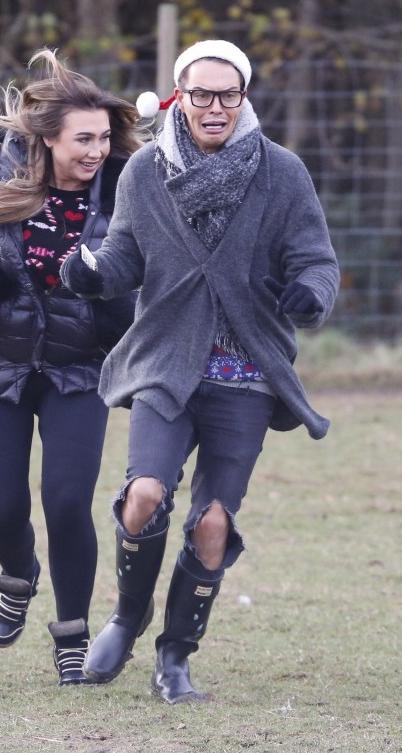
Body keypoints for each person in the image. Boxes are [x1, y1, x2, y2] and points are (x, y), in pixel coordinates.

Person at [61, 39, 340, 704]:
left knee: (213, 522)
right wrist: (91, 272)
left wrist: (309, 293)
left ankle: (175, 655)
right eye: (200, 93)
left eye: (227, 94)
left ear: (243, 97)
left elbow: (317, 261)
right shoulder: (143, 174)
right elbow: (123, 256)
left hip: (245, 370)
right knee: (144, 495)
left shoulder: (281, 173)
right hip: (164, 360)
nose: (214, 106)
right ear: (177, 98)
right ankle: (127, 619)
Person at [0, 49, 144, 685]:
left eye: (103, 138)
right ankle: (18, 577)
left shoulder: (127, 193)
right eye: (83, 139)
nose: (96, 150)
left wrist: (116, 300)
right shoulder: (0, 179)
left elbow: (148, 269)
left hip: (78, 369)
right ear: (47, 140)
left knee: (68, 502)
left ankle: (72, 635)